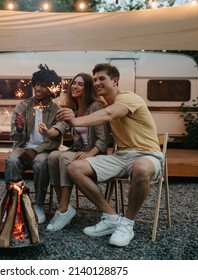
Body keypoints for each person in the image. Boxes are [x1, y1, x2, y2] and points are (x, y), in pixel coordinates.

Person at [56, 63, 164, 247]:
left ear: (115, 81)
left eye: (102, 78)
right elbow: (101, 129)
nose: (97, 82)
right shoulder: (105, 104)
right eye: (95, 79)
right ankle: (112, 217)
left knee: (141, 167)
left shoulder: (128, 98)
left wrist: (75, 120)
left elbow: (108, 114)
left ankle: (127, 224)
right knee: (74, 168)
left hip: (147, 155)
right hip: (121, 156)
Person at [38, 73, 111, 232]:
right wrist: (47, 132)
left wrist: (89, 154)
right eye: (73, 83)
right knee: (52, 156)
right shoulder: (73, 108)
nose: (75, 87)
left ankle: (63, 209)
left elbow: (103, 140)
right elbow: (60, 128)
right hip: (78, 152)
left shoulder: (96, 107)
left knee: (63, 157)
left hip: (94, 155)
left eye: (80, 84)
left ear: (88, 88)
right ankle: (64, 206)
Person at [4, 64, 66, 224]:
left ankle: (38, 205)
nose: (38, 88)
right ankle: (13, 204)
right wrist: (19, 128)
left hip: (44, 150)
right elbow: (15, 135)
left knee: (40, 163)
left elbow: (55, 140)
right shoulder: (23, 105)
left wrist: (37, 150)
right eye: (37, 84)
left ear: (52, 89)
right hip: (23, 147)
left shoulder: (56, 110)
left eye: (43, 85)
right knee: (11, 161)